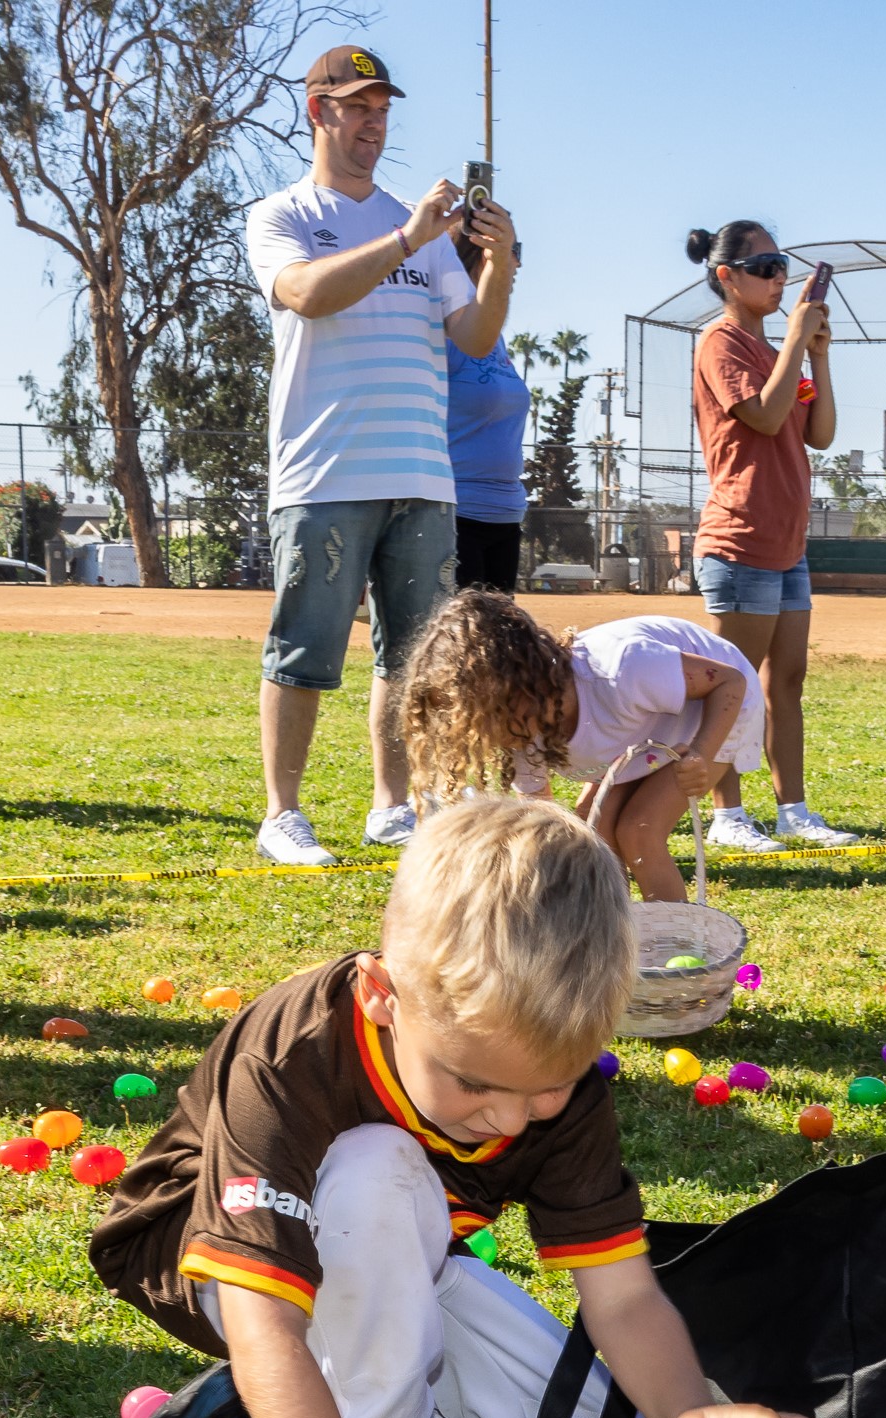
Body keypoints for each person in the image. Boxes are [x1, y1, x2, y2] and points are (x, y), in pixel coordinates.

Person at [90, 796, 841, 1418]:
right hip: (213, 1267)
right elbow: (265, 1323)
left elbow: (622, 1294)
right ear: (380, 998)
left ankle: (281, 1414)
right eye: (474, 1081)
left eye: (549, 1086)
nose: (511, 1118)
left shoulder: (556, 1095)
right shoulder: (295, 1052)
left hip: (395, 1259)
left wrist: (689, 1411)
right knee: (379, 1164)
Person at [246, 43, 518, 864]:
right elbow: (305, 294)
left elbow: (472, 334)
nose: (374, 121)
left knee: (413, 660)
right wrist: (406, 239)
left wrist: (499, 263)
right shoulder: (283, 214)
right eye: (358, 105)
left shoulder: (423, 226)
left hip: (422, 476)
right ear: (317, 111)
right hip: (324, 470)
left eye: (382, 107)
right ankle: (281, 816)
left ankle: (391, 806)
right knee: (304, 647)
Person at [399, 588, 760, 901]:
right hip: (645, 728)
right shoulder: (521, 730)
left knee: (638, 831)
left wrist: (700, 752)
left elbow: (728, 680)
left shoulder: (621, 669)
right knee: (593, 833)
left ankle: (675, 952)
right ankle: (615, 941)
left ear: (521, 685)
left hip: (715, 710)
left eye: (485, 717)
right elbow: (542, 818)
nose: (486, 736)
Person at [683, 221, 855, 852]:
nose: (778, 277)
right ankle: (728, 816)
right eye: (763, 267)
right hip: (739, 539)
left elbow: (821, 433)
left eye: (781, 265)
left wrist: (818, 354)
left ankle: (794, 810)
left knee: (787, 680)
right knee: (731, 681)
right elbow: (763, 414)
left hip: (788, 542)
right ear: (726, 276)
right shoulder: (720, 342)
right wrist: (791, 346)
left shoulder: (777, 350)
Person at [446, 321, 529, 593]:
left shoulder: (497, 339)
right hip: (458, 512)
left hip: (507, 512)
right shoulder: (447, 336)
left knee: (498, 630)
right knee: (467, 627)